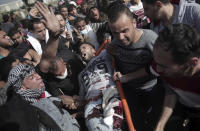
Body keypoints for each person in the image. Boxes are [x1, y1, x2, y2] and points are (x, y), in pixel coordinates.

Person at [107, 3, 163, 130]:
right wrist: (112, 56)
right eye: (115, 33)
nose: (120, 37)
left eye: (124, 31)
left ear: (134, 22)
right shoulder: (115, 44)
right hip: (130, 94)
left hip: (152, 90)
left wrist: (127, 77)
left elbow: (160, 67)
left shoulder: (150, 39)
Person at [77, 42, 124, 130]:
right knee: (96, 128)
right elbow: (81, 97)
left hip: (110, 92)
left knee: (115, 123)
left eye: (84, 47)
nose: (81, 51)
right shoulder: (81, 75)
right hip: (91, 103)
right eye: (79, 51)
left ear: (93, 50)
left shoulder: (104, 54)